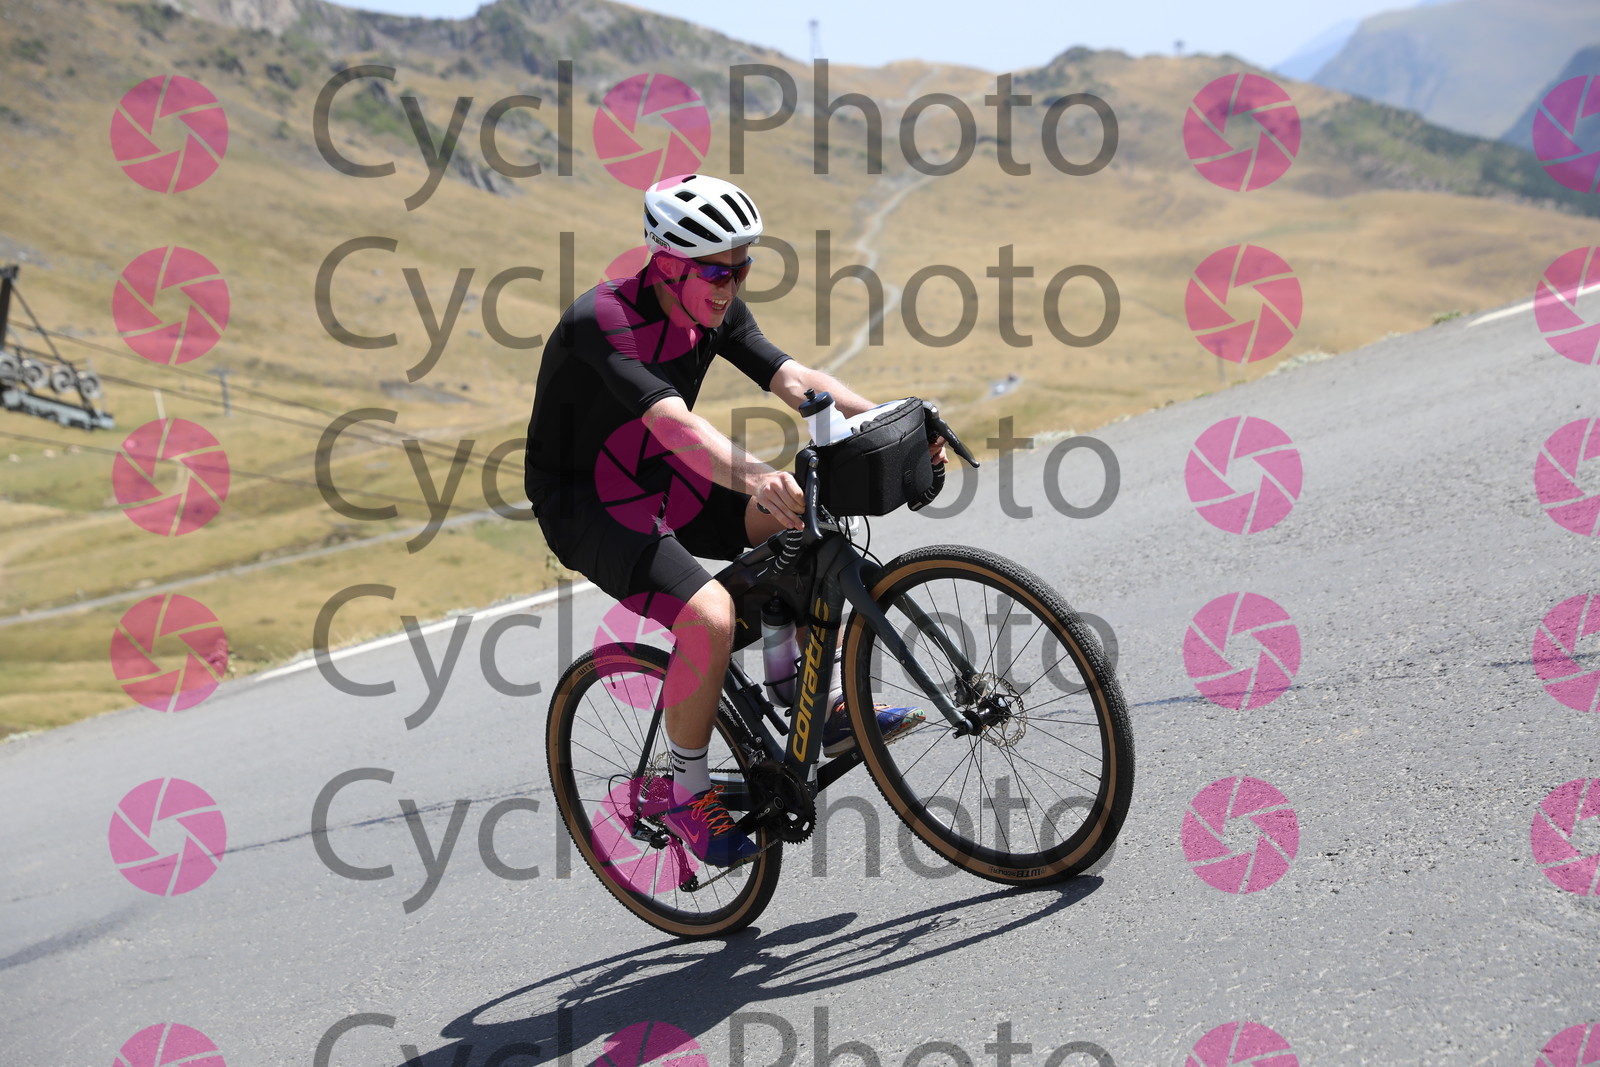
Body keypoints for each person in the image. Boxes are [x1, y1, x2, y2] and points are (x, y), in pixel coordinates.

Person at [525, 173, 942, 867]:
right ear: (666, 265)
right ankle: (684, 791)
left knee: (803, 527)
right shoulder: (603, 320)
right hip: (587, 500)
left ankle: (804, 700)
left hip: (663, 477)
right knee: (710, 615)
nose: (730, 285)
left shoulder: (716, 311)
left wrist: (892, 419)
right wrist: (756, 477)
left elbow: (794, 379)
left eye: (741, 267)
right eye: (715, 271)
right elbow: (675, 427)